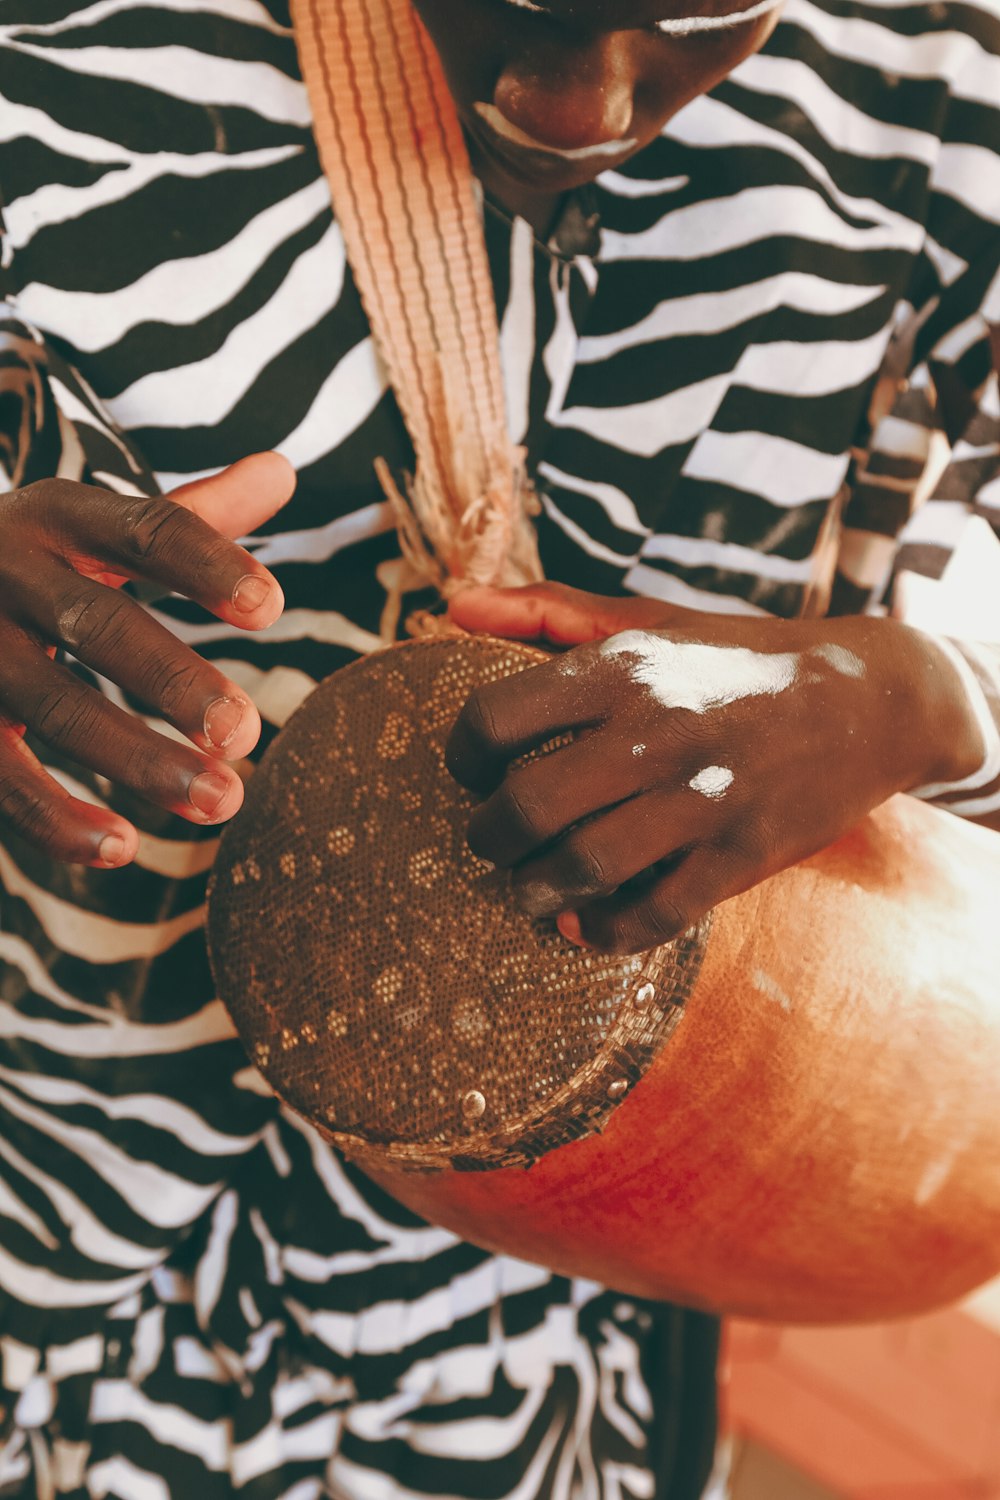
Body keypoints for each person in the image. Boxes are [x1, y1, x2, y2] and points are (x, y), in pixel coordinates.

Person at [0, 0, 998, 1495]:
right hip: (48, 1232)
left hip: (551, 1343)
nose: (580, 106)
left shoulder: (934, 98)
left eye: (698, 17)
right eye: (518, 7)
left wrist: (919, 697)